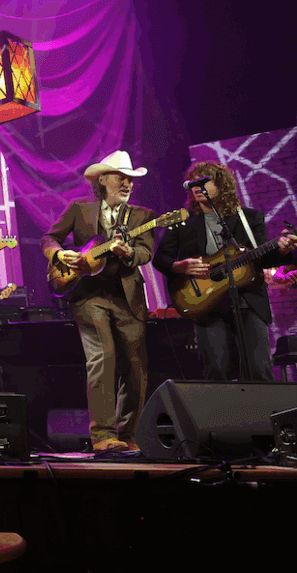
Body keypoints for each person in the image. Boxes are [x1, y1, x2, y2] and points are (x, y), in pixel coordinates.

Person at [40, 150, 154, 452]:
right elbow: (49, 238)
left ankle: (128, 436)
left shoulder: (143, 216)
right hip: (89, 296)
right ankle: (103, 436)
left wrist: (128, 252)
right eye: (122, 178)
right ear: (102, 179)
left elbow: (145, 253)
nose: (127, 184)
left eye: (131, 180)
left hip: (127, 297)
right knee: (102, 357)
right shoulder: (79, 208)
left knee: (136, 365)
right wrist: (58, 254)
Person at [153, 161, 297, 382]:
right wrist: (178, 266)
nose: (196, 186)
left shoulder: (249, 218)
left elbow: (263, 257)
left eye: (204, 180)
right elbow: (160, 258)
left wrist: (283, 250)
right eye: (194, 182)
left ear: (222, 185)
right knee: (216, 373)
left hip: (248, 302)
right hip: (205, 305)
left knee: (259, 371)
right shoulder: (184, 223)